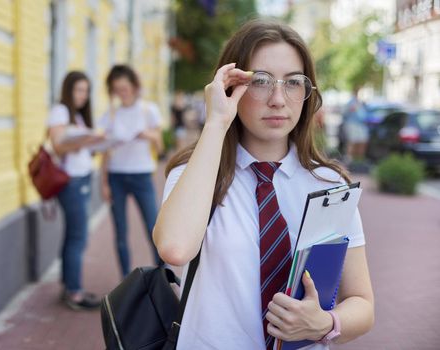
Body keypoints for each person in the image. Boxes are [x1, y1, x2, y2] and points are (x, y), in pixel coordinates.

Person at [153, 20, 374, 350]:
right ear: (231, 87)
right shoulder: (196, 175)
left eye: (293, 83)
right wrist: (216, 121)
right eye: (260, 81)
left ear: (308, 93)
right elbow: (174, 248)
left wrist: (325, 323)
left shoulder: (330, 185)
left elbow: (361, 303)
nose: (278, 99)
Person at [99, 65, 164, 277]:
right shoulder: (110, 115)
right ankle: (125, 279)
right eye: (117, 89)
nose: (122, 93)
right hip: (116, 176)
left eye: (125, 88)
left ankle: (163, 277)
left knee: (152, 227)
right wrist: (104, 183)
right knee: (120, 231)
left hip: (142, 175)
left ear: (134, 87)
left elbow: (160, 146)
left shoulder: (148, 110)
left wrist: (150, 136)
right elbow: (104, 152)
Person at [48, 71, 104, 310]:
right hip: (70, 182)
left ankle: (69, 285)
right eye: (79, 90)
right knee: (78, 236)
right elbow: (59, 146)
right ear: (68, 90)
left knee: (73, 234)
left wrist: (96, 143)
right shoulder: (60, 111)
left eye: (86, 90)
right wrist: (87, 139)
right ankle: (74, 292)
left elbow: (78, 148)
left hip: (81, 179)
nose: (83, 95)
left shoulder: (78, 116)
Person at [342, 90, 368, 162]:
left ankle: (358, 160)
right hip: (352, 124)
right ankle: (349, 159)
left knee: (362, 141)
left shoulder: (362, 103)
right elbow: (345, 113)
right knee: (352, 142)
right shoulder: (351, 102)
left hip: (361, 125)